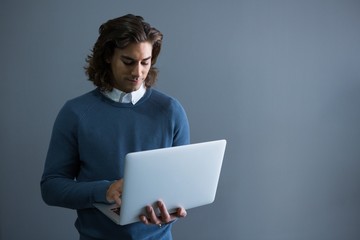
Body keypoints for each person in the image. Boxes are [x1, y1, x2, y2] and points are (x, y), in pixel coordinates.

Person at [41, 14, 190, 240]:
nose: (137, 72)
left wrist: (175, 209)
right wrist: (105, 190)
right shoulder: (75, 113)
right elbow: (51, 188)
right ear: (108, 56)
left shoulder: (171, 111)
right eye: (128, 62)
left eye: (145, 62)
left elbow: (182, 185)